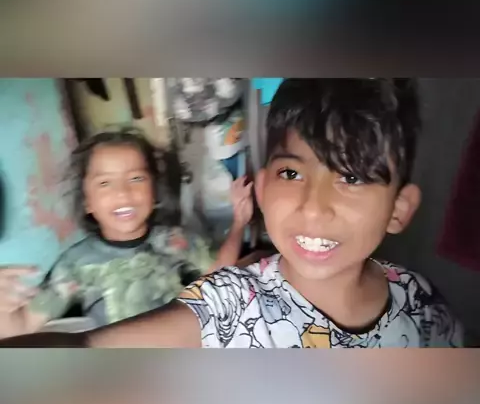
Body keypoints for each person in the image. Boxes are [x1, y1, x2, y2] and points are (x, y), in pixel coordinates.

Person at [0, 79, 464, 348]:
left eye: (353, 177)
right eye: (291, 173)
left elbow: (217, 267)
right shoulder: (229, 301)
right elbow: (67, 342)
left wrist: (241, 226)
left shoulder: (422, 304)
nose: (313, 206)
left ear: (399, 209)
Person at [0, 129, 253, 338]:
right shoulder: (75, 265)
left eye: (136, 179)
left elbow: (219, 271)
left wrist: (239, 221)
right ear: (87, 203)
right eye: (104, 183)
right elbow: (21, 326)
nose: (122, 193)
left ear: (154, 193)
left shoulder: (174, 240)